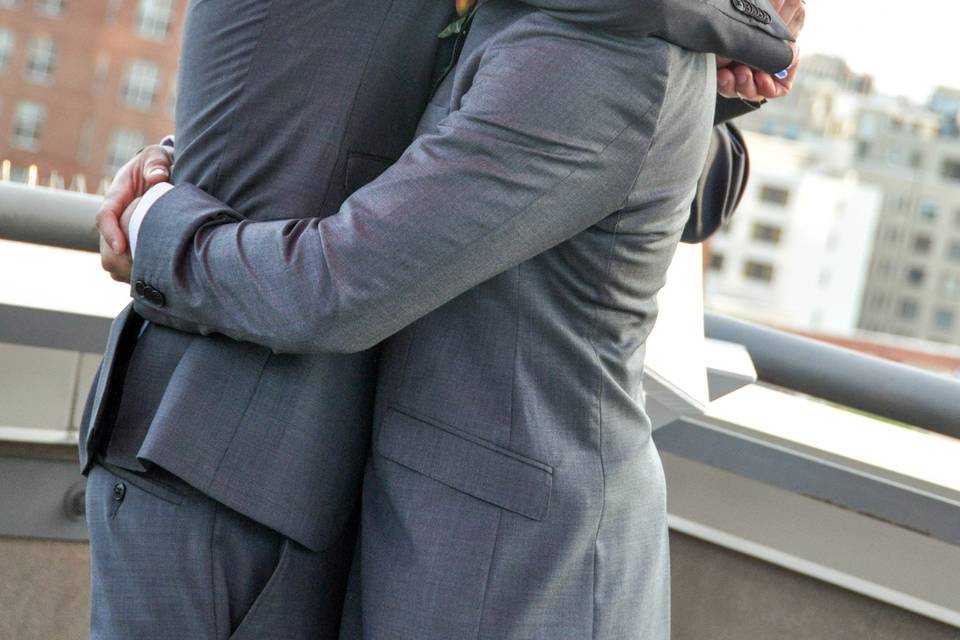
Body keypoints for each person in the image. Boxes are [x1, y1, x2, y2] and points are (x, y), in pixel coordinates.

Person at [88, 0, 803, 638]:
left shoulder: (602, 51)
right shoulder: (559, 23)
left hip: (515, 561)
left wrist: (158, 225)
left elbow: (334, 287)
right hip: (433, 525)